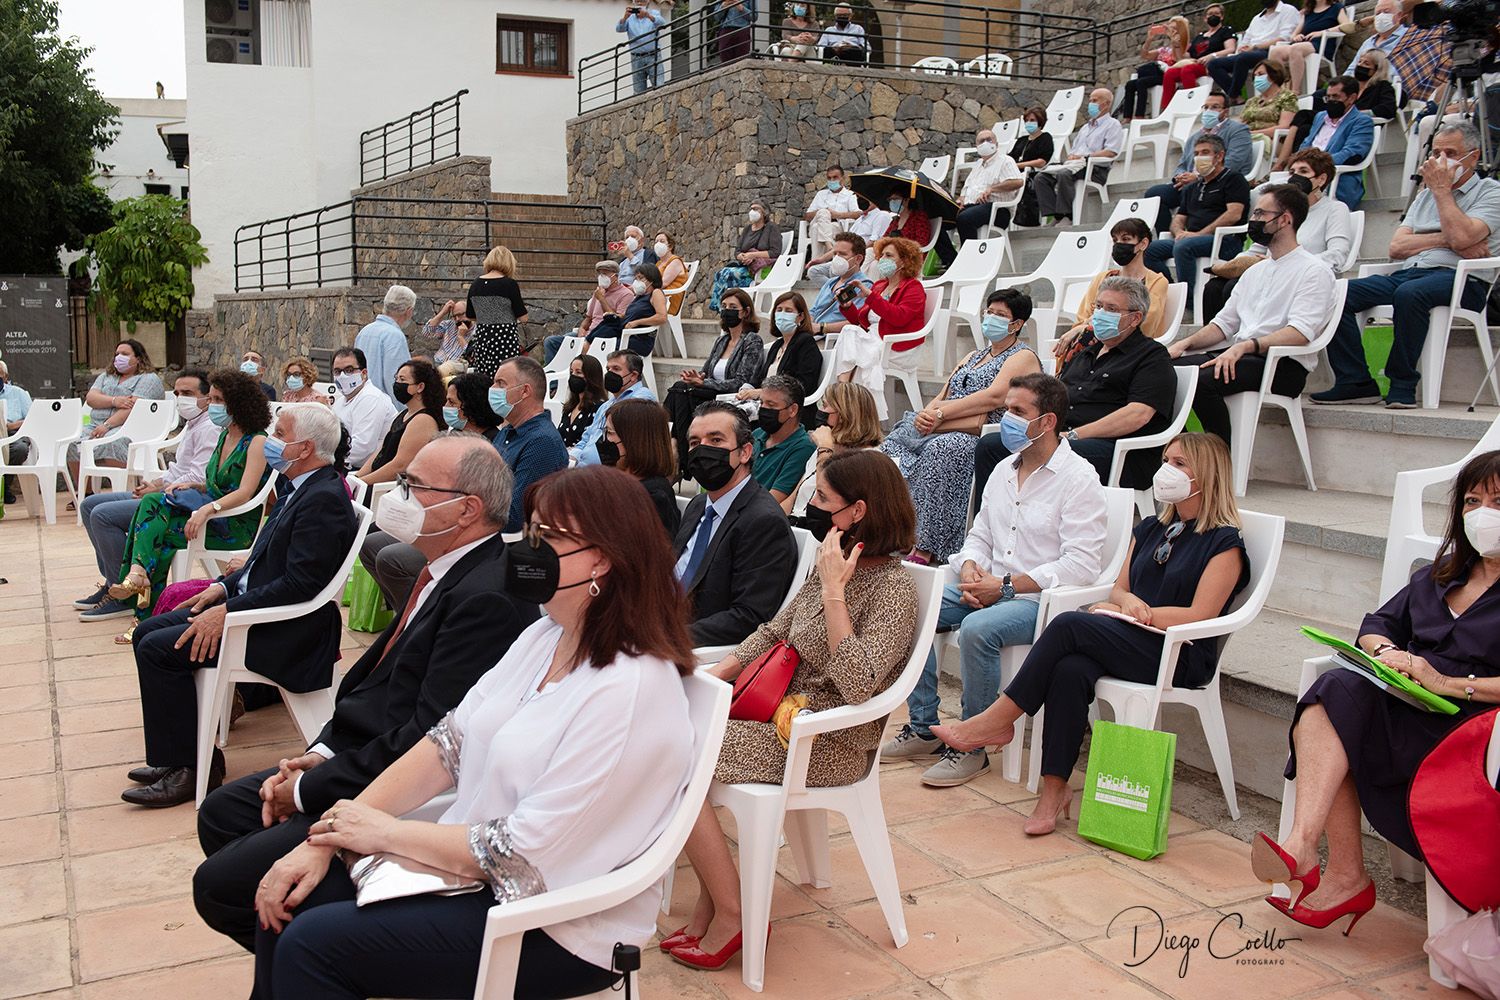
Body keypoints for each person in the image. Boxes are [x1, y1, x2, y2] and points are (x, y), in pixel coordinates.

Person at [247, 466, 697, 999]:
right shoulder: (545, 634)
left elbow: (527, 854)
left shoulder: (629, 688)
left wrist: (381, 834)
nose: (528, 552)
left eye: (548, 538)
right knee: (292, 898)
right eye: (530, 533)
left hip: (557, 922)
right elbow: (446, 746)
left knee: (314, 945)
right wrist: (331, 836)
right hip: (472, 872)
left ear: (603, 558)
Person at [193, 435, 539, 952]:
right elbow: (373, 685)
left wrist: (311, 790)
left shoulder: (485, 597)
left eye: (414, 485)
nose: (397, 495)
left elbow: (428, 737)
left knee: (219, 887)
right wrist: (316, 755)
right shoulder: (441, 569)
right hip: (354, 752)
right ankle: (292, 954)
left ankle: (309, 959)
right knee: (222, 813)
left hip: (396, 783)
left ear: (467, 509)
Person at [670, 450, 918, 970]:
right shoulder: (835, 553)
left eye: (823, 499)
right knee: (671, 736)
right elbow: (775, 629)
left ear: (859, 510)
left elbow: (856, 685)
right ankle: (717, 904)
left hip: (827, 741)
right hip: (777, 719)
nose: (811, 506)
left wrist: (834, 594)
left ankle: (732, 912)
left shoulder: (892, 588)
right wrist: (712, 678)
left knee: (676, 760)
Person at [934, 432, 1250, 834]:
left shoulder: (1225, 542)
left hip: (1178, 653)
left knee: (1068, 624)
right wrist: (1124, 605)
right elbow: (1120, 587)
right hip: (1130, 634)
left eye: (1180, 464)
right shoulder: (1152, 527)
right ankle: (1053, 793)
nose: (1167, 470)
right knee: (1070, 669)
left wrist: (1140, 613)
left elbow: (1201, 613)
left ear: (1207, 475)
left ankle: (999, 717)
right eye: (1167, 459)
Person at [1260, 450, 1499, 934]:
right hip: (1410, 703)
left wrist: (1445, 682)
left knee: (1346, 723)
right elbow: (1376, 625)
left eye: (1498, 500)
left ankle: (1337, 871)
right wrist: (1390, 653)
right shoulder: (1441, 575)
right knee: (1336, 690)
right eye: (1472, 501)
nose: (1482, 514)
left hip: (1472, 727)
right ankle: (1312, 850)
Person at [123, 403, 357, 807]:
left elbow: (300, 585)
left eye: (281, 435)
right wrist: (222, 587)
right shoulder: (299, 485)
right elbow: (261, 562)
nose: (271, 441)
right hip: (253, 610)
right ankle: (181, 757)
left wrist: (229, 612)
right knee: (146, 632)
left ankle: (191, 770)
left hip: (282, 630)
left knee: (160, 650)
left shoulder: (324, 499)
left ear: (304, 450)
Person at [883, 373, 1109, 787]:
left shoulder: (1079, 479)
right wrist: (970, 566)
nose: (1006, 418)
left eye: (1018, 411)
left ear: (1047, 422)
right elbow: (981, 533)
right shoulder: (1005, 468)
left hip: (1039, 600)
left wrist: (1004, 587)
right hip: (988, 584)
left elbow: (1081, 565)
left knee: (977, 629)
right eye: (1006, 409)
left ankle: (971, 747)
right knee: (909, 607)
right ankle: (922, 726)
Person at [1313, 123, 1500, 409]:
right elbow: (1397, 247)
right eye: (1436, 152)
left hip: (1465, 280)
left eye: (1450, 153)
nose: (1440, 160)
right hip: (1411, 272)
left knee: (1411, 293)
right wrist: (1449, 241)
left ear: (1473, 157)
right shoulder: (1423, 195)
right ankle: (1356, 381)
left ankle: (1402, 384)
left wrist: (1441, 192)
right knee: (1335, 291)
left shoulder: (1490, 192)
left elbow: (1461, 235)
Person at [93, 369, 273, 627]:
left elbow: (244, 492)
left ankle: (139, 592)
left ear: (238, 402)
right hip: (214, 514)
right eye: (211, 399)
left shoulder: (256, 442)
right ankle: (144, 610)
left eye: (218, 400)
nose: (212, 406)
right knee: (159, 534)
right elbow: (217, 482)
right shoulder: (225, 435)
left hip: (233, 524)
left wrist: (206, 510)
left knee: (153, 515)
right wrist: (196, 485)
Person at [974, 276, 1178, 496]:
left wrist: (1074, 435)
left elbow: (1138, 414)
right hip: (1063, 437)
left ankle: (1039, 524)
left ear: (1135, 318)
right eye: (1098, 306)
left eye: (1111, 309)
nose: (1100, 314)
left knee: (1051, 453)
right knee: (991, 446)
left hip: (1116, 449)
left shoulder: (1152, 356)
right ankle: (995, 524)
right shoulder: (1086, 352)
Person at [1166, 185, 1336, 444]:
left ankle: (1222, 460)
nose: (1253, 221)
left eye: (1260, 214)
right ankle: (1181, 454)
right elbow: (1223, 325)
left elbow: (1300, 332)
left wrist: (1246, 346)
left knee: (1201, 381)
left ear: (1285, 219)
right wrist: (1184, 344)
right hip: (1242, 356)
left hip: (1283, 366)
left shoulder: (1315, 271)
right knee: (1160, 372)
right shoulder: (1254, 271)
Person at [882, 289, 1042, 564]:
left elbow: (994, 397)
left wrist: (940, 416)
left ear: (1017, 324)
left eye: (1000, 315)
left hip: (978, 431)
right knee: (892, 444)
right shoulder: (973, 356)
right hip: (942, 423)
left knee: (943, 450)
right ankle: (892, 532)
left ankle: (928, 545)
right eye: (989, 311)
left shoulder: (1022, 356)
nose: (991, 318)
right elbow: (945, 391)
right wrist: (926, 414)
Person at [75, 370, 217, 618]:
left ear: (206, 397)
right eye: (177, 393)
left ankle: (124, 594)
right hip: (167, 490)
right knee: (89, 505)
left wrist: (159, 488)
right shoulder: (193, 425)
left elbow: (198, 477)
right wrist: (156, 482)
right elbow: (180, 470)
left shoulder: (210, 428)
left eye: (188, 394)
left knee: (103, 516)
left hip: (178, 503)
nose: (181, 398)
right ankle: (112, 583)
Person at [674, 401, 798, 647]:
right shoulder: (698, 504)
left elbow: (749, 617)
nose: (703, 450)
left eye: (716, 441)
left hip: (693, 645)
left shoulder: (763, 522)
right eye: (695, 443)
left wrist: (666, 637)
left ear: (745, 452)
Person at [1201, 148, 1352, 320]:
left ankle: (1245, 342)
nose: (1296, 177)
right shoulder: (1282, 210)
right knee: (1214, 287)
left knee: (1233, 288)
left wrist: (1292, 264)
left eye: (1303, 171)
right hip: (1268, 271)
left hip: (1303, 277)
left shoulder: (1335, 209)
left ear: (1321, 179)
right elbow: (1258, 248)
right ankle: (1217, 346)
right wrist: (1235, 264)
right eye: (1292, 172)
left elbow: (1337, 255)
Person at [829, 236, 929, 421]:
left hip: (897, 343)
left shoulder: (913, 287)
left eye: (889, 255)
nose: (882, 259)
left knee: (859, 351)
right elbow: (862, 322)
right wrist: (847, 306)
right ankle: (846, 397)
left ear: (905, 261)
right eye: (881, 254)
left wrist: (870, 296)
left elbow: (899, 318)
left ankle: (842, 399)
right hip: (873, 338)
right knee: (850, 333)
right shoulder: (880, 285)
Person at [664, 287, 764, 466]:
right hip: (710, 394)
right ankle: (678, 449)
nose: (726, 310)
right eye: (724, 306)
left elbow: (741, 382)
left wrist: (704, 382)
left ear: (745, 312)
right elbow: (705, 373)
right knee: (680, 387)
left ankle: (676, 450)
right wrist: (694, 378)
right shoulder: (722, 340)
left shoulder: (752, 340)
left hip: (732, 397)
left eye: (733, 307)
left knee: (679, 391)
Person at [1143, 134, 1251, 301]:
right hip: (1192, 239)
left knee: (1184, 246)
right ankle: (1171, 293)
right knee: (1149, 249)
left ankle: (1189, 301)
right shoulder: (1192, 187)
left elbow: (1234, 214)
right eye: (1197, 153)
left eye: (1205, 152)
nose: (1200, 157)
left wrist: (1199, 234)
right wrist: (1179, 232)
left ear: (1219, 156)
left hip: (1225, 240)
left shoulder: (1233, 179)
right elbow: (1179, 218)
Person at [1142, 89, 1253, 233]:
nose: (1208, 111)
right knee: (1155, 194)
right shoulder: (1195, 137)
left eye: (1214, 107)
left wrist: (1198, 177)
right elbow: (1182, 164)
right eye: (1206, 107)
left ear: (1225, 112)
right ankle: (1169, 234)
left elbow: (1234, 162)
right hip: (1190, 186)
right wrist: (1180, 177)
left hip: (1218, 184)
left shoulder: (1238, 130)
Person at [1053, 219, 1172, 351]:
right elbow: (1082, 317)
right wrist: (1086, 327)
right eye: (1115, 240)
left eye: (1126, 239)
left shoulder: (1157, 281)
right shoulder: (1103, 278)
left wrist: (1091, 325)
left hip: (1133, 347)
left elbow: (1147, 322)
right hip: (1094, 342)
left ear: (1143, 244)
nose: (1119, 244)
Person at [71, 338, 166, 488]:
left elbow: (133, 408)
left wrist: (107, 425)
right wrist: (114, 401)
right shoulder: (105, 377)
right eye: (117, 354)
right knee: (71, 443)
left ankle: (121, 489)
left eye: (125, 354)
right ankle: (85, 491)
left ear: (138, 359)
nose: (119, 357)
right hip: (95, 425)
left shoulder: (148, 379)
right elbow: (91, 398)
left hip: (129, 428)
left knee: (112, 441)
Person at [1278, 50, 1399, 166]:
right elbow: (1322, 96)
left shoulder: (1382, 87)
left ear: (1377, 69)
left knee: (1306, 119)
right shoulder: (1348, 84)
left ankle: (1289, 162)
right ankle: (1291, 160)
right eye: (1360, 62)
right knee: (1304, 122)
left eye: (1366, 63)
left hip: (1352, 122)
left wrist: (1359, 113)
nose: (1360, 65)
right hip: (1335, 118)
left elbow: (1388, 109)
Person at [490, 356, 569, 533]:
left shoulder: (542, 442)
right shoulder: (507, 432)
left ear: (525, 391)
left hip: (505, 545)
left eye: (500, 383)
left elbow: (515, 517)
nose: (493, 389)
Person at [784, 380, 884, 516]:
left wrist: (825, 449)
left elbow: (825, 497)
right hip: (796, 524)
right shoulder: (828, 445)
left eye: (825, 406)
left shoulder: (867, 459)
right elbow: (795, 495)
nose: (820, 411)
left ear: (844, 416)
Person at [1032, 88, 1124, 226]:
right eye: (1090, 100)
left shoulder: (1113, 125)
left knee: (1064, 174)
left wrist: (1085, 157)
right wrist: (1072, 157)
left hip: (1095, 168)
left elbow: (1111, 152)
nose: (1090, 104)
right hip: (1075, 165)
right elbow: (1074, 151)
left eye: (1095, 100)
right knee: (1041, 177)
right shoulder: (1085, 128)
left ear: (1106, 104)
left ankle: (1067, 215)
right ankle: (1056, 215)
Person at [935, 127, 1024, 268]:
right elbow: (965, 190)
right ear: (977, 147)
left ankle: (970, 263)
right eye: (981, 141)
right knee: (936, 220)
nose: (986, 143)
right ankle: (952, 261)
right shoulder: (977, 166)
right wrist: (960, 200)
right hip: (972, 207)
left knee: (965, 218)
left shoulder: (1005, 161)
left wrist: (992, 189)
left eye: (989, 139)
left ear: (997, 143)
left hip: (997, 210)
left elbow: (1017, 182)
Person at [739, 291, 824, 425]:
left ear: (800, 316)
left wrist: (762, 393)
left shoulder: (806, 342)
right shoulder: (777, 345)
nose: (782, 314)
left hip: (788, 411)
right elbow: (760, 378)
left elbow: (803, 384)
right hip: (767, 404)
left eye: (788, 310)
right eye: (779, 310)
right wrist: (746, 390)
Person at [355, 359, 443, 486]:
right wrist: (357, 478)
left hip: (387, 488)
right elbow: (381, 452)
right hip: (375, 482)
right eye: (396, 379)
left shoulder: (423, 420)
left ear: (420, 387)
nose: (397, 384)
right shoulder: (403, 414)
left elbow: (400, 465)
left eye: (402, 380)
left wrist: (362, 482)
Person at [601, 397, 679, 535]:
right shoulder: (620, 482)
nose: (605, 439)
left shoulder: (653, 498)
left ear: (635, 441)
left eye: (610, 432)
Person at [1292, 76, 1374, 208]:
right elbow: (1306, 144)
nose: (1330, 101)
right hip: (1303, 173)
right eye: (1328, 97)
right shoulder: (1320, 116)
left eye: (1335, 97)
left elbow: (1352, 153)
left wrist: (1315, 165)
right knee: (1266, 192)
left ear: (1352, 98)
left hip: (1334, 178)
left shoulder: (1362, 121)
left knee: (1289, 199)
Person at [1207, 0, 1302, 102]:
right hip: (1250, 53)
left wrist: (1256, 47)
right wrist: (1243, 48)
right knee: (1213, 64)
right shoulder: (1257, 19)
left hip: (1271, 50)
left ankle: (1232, 96)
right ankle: (1236, 95)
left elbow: (1285, 37)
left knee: (1243, 58)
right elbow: (1245, 40)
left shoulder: (1288, 10)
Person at [542, 260, 634, 364]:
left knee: (572, 346)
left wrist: (602, 299)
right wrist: (581, 331)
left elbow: (616, 320)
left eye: (605, 273)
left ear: (615, 276)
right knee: (551, 342)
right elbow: (588, 319)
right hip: (586, 335)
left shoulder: (626, 294)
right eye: (599, 273)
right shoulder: (598, 293)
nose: (601, 276)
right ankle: (554, 377)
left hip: (604, 338)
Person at [576, 350, 656, 466]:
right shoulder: (606, 405)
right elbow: (587, 437)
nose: (609, 374)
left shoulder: (641, 400)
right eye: (608, 369)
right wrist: (574, 455)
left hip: (609, 470)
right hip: (583, 466)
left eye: (616, 369)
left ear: (633, 375)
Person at [464, 245, 529, 381]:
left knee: (484, 377)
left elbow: (470, 315)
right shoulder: (509, 284)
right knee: (506, 377)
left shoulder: (475, 284)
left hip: (482, 338)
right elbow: (523, 318)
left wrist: (487, 314)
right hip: (504, 338)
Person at [749, 374, 815, 503]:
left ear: (792, 410)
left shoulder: (803, 447)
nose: (763, 409)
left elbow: (775, 499)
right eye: (762, 403)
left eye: (771, 405)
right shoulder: (757, 434)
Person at [330, 347, 398, 471]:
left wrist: (328, 460)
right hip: (344, 463)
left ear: (364, 373)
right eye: (337, 371)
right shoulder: (341, 401)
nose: (343, 376)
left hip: (365, 471)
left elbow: (363, 446)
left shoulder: (371, 398)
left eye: (349, 370)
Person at [1161, 4, 1238, 107]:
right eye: (1210, 14)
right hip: (1196, 64)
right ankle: (1167, 107)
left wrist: (1211, 55)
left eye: (1216, 13)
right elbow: (1184, 57)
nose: (1213, 16)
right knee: (1170, 73)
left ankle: (1193, 104)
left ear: (1222, 16)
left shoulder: (1225, 31)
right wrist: (1176, 45)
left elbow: (1231, 49)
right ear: (1205, 18)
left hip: (1213, 64)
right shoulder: (1200, 37)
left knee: (1187, 70)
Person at [1267, 0, 1350, 94]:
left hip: (1321, 44)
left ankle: (1295, 92)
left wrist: (1322, 32)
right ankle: (1278, 90)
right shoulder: (1308, 11)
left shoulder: (1336, 8)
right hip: (1304, 43)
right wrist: (1296, 36)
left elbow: (1347, 25)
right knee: (1275, 51)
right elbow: (1293, 34)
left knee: (1295, 49)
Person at [709, 202, 778, 311]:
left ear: (764, 212)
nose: (752, 212)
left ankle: (731, 308)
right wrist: (742, 256)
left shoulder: (771, 227)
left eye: (756, 209)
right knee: (721, 273)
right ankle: (724, 308)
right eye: (751, 209)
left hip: (759, 268)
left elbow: (775, 252)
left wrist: (753, 255)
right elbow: (737, 251)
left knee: (730, 274)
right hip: (744, 265)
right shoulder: (748, 229)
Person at [1121, 17, 1192, 120]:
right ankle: (1127, 117)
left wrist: (1174, 43)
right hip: (1155, 73)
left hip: (1168, 75)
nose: (1170, 30)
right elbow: (1145, 55)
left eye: (1174, 28)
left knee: (1141, 82)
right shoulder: (1164, 49)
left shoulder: (1185, 46)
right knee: (1130, 84)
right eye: (1169, 27)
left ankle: (1139, 115)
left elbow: (1179, 60)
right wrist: (1149, 39)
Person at [354, 286, 415, 402]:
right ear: (409, 311)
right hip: (385, 408)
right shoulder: (395, 336)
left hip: (362, 401)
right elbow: (396, 381)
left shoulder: (364, 331)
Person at [1241, 60, 1302, 165]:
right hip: (1249, 137)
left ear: (1274, 75)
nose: (1257, 78)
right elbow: (1242, 124)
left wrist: (1253, 134)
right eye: (1255, 76)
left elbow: (1285, 126)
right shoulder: (1252, 101)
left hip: (1274, 139)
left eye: (1260, 74)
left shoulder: (1287, 97)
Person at [806, 232, 869, 330]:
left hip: (832, 339)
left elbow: (858, 321)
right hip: (813, 335)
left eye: (843, 254)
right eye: (835, 253)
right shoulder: (830, 282)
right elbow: (814, 311)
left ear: (858, 259)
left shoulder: (864, 286)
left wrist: (821, 328)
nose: (837, 258)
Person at [614, 261, 669, 358]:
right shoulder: (639, 296)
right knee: (600, 339)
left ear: (651, 279)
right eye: (636, 278)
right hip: (626, 335)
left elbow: (662, 317)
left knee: (608, 345)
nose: (637, 281)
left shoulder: (656, 293)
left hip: (640, 340)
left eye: (641, 278)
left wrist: (637, 322)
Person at [804, 165, 860, 252]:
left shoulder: (849, 195)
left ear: (843, 178)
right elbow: (807, 216)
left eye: (835, 177)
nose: (832, 180)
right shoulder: (821, 194)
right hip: (819, 222)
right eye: (829, 178)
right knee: (823, 212)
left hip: (837, 225)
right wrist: (824, 213)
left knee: (816, 229)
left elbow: (857, 214)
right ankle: (828, 244)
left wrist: (837, 215)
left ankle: (816, 261)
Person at [556, 354, 606, 448]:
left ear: (591, 376)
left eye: (578, 372)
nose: (573, 376)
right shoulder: (569, 407)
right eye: (571, 372)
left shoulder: (599, 408)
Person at [0, 359, 33, 504]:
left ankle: (4, 487)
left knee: (20, 449)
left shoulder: (18, 393)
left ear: (6, 376)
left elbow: (33, 419)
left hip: (14, 434)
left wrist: (10, 426)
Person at [617, 3, 667, 94]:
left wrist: (648, 16)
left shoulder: (654, 13)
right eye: (637, 0)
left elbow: (663, 23)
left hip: (653, 56)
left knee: (659, 87)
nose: (640, 3)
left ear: (647, 2)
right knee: (638, 92)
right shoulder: (629, 18)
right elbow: (619, 29)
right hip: (636, 58)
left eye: (642, 0)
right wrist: (624, 18)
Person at [420, 299, 473, 378]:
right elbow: (426, 332)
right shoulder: (449, 324)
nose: (457, 319)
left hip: (456, 371)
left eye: (460, 314)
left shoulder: (477, 332)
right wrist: (443, 312)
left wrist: (461, 337)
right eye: (454, 316)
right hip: (437, 362)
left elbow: (472, 356)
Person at [653, 230, 688, 313]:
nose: (658, 244)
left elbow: (663, 283)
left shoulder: (675, 261)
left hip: (669, 299)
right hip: (658, 297)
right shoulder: (659, 264)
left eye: (662, 241)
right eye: (656, 242)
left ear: (670, 246)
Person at [716, 0, 756, 64]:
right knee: (725, 61)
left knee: (742, 61)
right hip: (725, 30)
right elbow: (716, 17)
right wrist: (723, 7)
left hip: (742, 30)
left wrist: (742, 9)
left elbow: (754, 16)